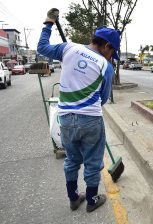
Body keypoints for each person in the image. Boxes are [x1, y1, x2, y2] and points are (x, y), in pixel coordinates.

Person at [37, 8, 121, 213]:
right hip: (91, 120)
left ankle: (74, 198)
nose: (112, 57)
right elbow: (103, 98)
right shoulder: (106, 66)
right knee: (92, 161)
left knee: (72, 160)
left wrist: (49, 23)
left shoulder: (68, 48)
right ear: (107, 46)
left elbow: (42, 47)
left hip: (65, 118)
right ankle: (92, 200)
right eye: (112, 52)